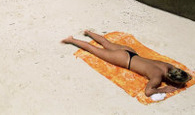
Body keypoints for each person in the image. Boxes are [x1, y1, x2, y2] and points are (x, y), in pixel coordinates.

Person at [61, 30, 192, 97]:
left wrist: (184, 77)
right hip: (124, 60)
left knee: (106, 43)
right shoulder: (157, 77)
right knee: (94, 50)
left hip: (131, 52)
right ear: (171, 80)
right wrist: (164, 89)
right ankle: (71, 39)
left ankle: (88, 32)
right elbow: (148, 92)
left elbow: (180, 74)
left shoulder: (168, 66)